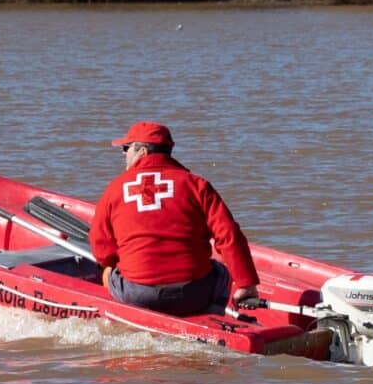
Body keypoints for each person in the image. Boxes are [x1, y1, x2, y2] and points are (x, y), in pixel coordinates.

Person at [89, 121, 261, 316]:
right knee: (221, 272)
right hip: (194, 293)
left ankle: (122, 315)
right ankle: (212, 318)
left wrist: (125, 263)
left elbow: (102, 250)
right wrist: (247, 284)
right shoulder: (197, 185)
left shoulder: (114, 189)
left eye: (126, 148)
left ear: (142, 152)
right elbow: (229, 235)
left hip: (139, 294)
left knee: (107, 272)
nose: (124, 154)